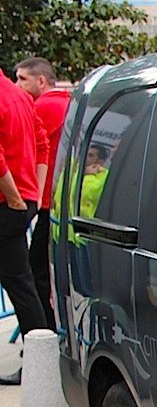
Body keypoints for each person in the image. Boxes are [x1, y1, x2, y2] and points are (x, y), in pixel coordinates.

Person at [0, 69, 48, 385]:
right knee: (22, 285)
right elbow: (42, 142)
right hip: (22, 202)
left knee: (21, 286)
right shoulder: (16, 94)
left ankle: (40, 365)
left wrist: (15, 197)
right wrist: (35, 195)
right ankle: (41, 361)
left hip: (8, 204)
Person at [15, 57, 69, 332]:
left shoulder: (43, 107)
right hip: (66, 202)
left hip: (48, 203)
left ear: (41, 80)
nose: (18, 85)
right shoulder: (69, 103)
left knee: (36, 274)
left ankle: (44, 340)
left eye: (22, 79)